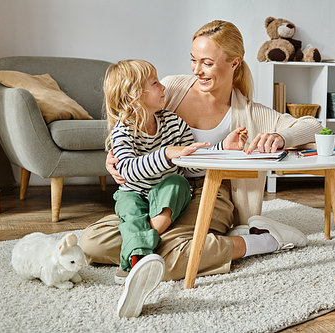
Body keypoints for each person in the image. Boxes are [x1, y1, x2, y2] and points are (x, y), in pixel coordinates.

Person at [79, 20, 323, 317]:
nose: (197, 70)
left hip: (209, 191)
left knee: (163, 250)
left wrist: (282, 136)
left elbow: (314, 126)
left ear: (234, 63)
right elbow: (130, 122)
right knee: (91, 242)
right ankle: (152, 253)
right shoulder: (171, 89)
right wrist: (113, 156)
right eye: (193, 60)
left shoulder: (249, 112)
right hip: (158, 189)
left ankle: (261, 241)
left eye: (207, 63)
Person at [103, 59, 249, 318]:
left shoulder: (173, 122)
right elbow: (127, 169)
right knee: (129, 210)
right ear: (134, 95)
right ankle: (137, 264)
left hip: (169, 191)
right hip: (135, 193)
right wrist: (167, 154)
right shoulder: (123, 130)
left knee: (177, 182)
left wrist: (223, 147)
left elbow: (191, 163)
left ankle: (136, 253)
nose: (163, 88)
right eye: (155, 83)